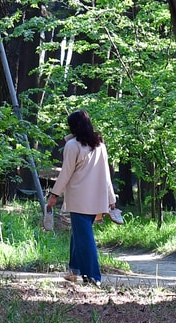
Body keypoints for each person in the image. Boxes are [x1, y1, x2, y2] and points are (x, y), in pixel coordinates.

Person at [44, 110, 121, 285]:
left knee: (85, 237)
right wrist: (111, 199)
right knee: (79, 233)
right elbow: (106, 175)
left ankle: (93, 276)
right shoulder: (100, 145)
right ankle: (74, 270)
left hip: (79, 199)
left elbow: (65, 173)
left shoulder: (73, 146)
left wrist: (54, 195)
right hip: (97, 198)